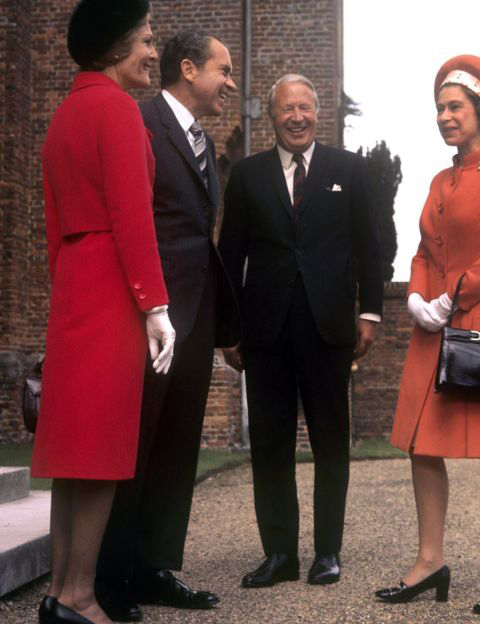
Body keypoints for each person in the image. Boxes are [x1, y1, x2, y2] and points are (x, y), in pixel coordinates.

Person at [375, 55, 480, 615]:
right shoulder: (440, 179)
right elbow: (424, 250)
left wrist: (453, 296)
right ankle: (428, 562)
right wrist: (418, 296)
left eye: (455, 107)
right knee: (422, 446)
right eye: (439, 108)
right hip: (435, 326)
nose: (445, 116)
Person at [31, 1, 175, 623]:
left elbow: (54, 225)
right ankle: (81, 596)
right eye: (145, 39)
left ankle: (59, 592)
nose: (153, 50)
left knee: (73, 455)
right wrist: (155, 305)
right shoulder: (117, 110)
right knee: (101, 452)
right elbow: (132, 217)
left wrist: (73, 288)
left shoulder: (66, 113)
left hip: (74, 290)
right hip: (115, 288)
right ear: (117, 47)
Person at [95, 30, 240, 622]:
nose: (230, 82)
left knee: (179, 439)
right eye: (222, 70)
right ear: (189, 68)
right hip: (153, 313)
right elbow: (132, 218)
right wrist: (149, 306)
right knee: (140, 436)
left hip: (197, 311)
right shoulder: (140, 122)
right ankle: (114, 578)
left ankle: (156, 566)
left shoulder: (202, 140)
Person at [219, 74, 384, 588]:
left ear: (318, 113)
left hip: (328, 326)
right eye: (286, 109)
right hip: (264, 332)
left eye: (305, 108)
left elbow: (370, 247)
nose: (296, 117)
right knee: (269, 444)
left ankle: (327, 553)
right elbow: (230, 257)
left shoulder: (349, 170)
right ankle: (279, 555)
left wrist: (370, 313)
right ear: (271, 116)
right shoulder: (247, 175)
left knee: (331, 442)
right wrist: (228, 330)